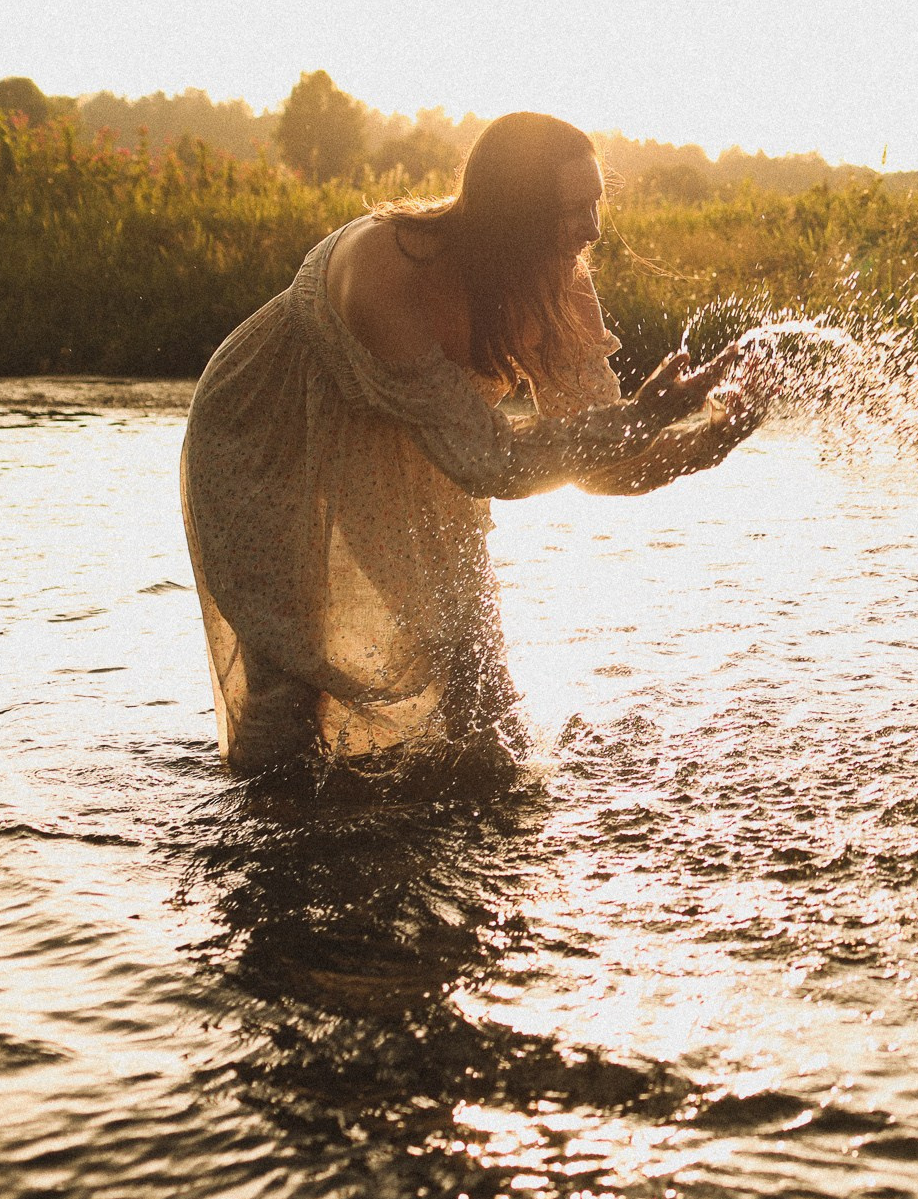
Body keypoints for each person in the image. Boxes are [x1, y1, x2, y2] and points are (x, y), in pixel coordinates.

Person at [182, 112, 763, 782]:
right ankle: (273, 853)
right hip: (267, 436)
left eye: (596, 203)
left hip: (433, 441)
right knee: (289, 702)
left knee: (482, 698)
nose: (593, 228)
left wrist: (714, 438)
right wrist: (644, 415)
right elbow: (494, 466)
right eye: (570, 209)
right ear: (511, 214)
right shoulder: (386, 271)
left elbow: (601, 466)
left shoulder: (560, 282)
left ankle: (480, 850)